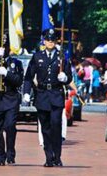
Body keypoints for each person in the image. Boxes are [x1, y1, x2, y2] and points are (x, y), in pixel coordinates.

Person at [23, 28, 72, 167]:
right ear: (44, 41)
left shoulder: (62, 57)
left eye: (52, 40)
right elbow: (28, 77)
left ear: (56, 41)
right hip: (42, 95)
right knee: (45, 128)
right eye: (48, 40)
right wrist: (26, 93)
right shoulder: (37, 56)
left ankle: (57, 156)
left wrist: (65, 78)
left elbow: (69, 77)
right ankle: (48, 157)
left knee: (56, 125)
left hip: (56, 95)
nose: (50, 42)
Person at [0, 34, 24, 166]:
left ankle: (10, 152)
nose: (3, 48)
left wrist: (7, 74)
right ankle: (0, 154)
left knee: (10, 126)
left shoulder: (15, 63)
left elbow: (19, 81)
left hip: (11, 98)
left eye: (5, 46)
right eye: (0, 46)